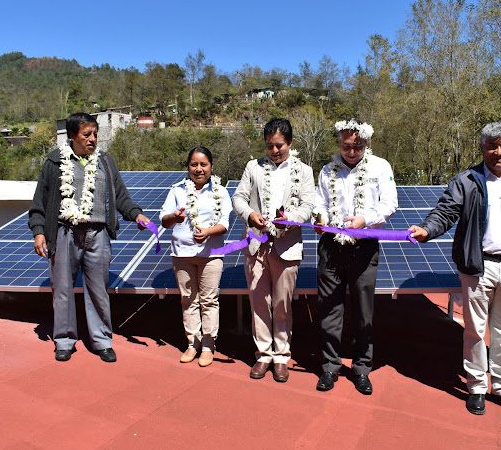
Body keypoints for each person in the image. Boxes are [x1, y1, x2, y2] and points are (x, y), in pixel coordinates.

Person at [409, 122, 501, 416]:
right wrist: (426, 230)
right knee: (474, 330)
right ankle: (476, 387)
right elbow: (445, 212)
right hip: (477, 267)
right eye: (492, 146)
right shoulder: (467, 181)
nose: (499, 152)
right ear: (482, 148)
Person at [29, 112, 150, 362]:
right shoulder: (54, 162)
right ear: (72, 136)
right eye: (87, 134)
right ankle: (64, 340)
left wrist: (136, 214)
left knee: (98, 290)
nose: (93, 139)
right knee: (62, 289)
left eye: (96, 134)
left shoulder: (106, 162)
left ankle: (102, 340)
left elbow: (121, 197)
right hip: (63, 233)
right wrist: (39, 232)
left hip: (98, 234)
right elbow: (39, 202)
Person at [312, 118, 399, 395]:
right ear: (339, 143)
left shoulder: (380, 167)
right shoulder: (327, 170)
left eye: (357, 146)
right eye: (346, 146)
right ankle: (329, 366)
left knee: (364, 311)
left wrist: (366, 219)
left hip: (365, 246)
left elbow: (390, 204)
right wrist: (320, 219)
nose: (351, 152)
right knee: (329, 308)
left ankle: (362, 368)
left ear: (366, 143)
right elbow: (320, 203)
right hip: (331, 247)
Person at [232, 118, 315, 382]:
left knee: (282, 305)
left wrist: (289, 220)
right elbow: (238, 198)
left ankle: (281, 356)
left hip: (287, 247)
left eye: (279, 145)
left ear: (290, 143)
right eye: (269, 146)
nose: (274, 150)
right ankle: (263, 355)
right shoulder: (252, 167)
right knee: (259, 304)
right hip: (256, 246)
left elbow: (308, 206)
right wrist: (249, 215)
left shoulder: (304, 171)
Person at [159, 147, 232, 367]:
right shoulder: (177, 190)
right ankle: (192, 344)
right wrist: (174, 217)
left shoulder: (220, 191)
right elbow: (164, 220)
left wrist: (208, 232)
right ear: (188, 166)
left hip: (211, 254)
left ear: (211, 166)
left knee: (209, 301)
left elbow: (225, 224)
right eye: (193, 164)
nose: (198, 169)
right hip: (182, 254)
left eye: (203, 165)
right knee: (188, 300)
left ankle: (209, 346)